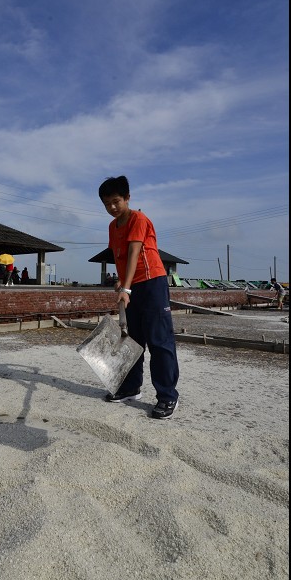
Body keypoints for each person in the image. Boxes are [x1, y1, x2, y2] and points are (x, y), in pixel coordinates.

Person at [98, 175, 179, 420]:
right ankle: (131, 388)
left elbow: (134, 253)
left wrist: (127, 289)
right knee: (132, 341)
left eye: (116, 201)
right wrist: (122, 282)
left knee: (159, 341)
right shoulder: (113, 227)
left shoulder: (139, 219)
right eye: (107, 204)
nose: (112, 207)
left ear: (127, 198)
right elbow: (120, 257)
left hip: (152, 283)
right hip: (133, 285)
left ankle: (167, 396)